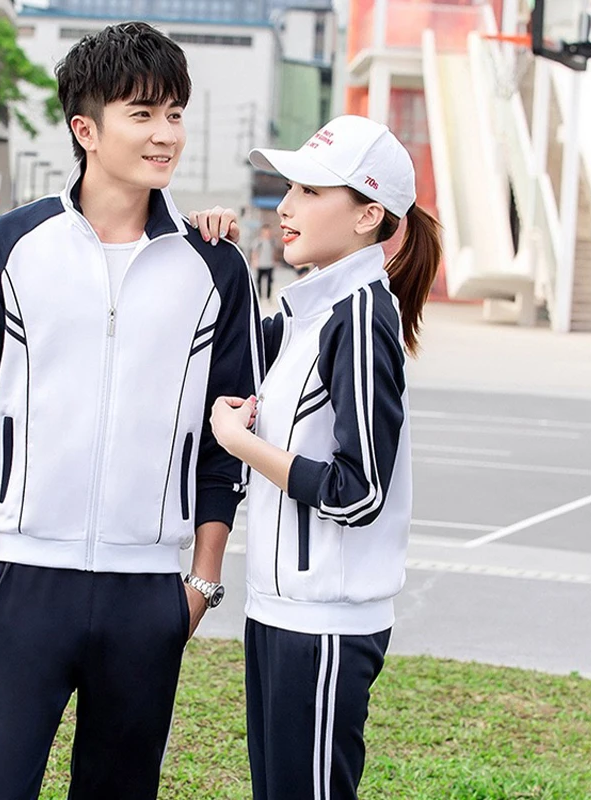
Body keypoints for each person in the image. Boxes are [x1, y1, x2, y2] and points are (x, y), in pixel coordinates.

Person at [0, 21, 262, 800]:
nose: (165, 134)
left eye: (174, 113)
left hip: (146, 593)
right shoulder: (7, 248)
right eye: (142, 114)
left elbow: (229, 439)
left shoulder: (214, 268)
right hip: (21, 579)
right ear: (86, 129)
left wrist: (201, 582)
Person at [200, 115, 441, 800]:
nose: (286, 206)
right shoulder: (309, 314)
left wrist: (245, 446)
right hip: (279, 612)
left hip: (326, 626)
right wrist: (216, 254)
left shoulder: (359, 319)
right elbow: (228, 349)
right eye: (289, 188)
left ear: (368, 215)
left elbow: (360, 491)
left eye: (309, 191)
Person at [250, 223, 276, 299]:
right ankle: (259, 296)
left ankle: (268, 297)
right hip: (260, 264)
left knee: (269, 282)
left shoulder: (272, 241)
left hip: (269, 264)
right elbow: (254, 252)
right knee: (259, 281)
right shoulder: (258, 241)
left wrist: (274, 261)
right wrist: (254, 261)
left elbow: (273, 252)